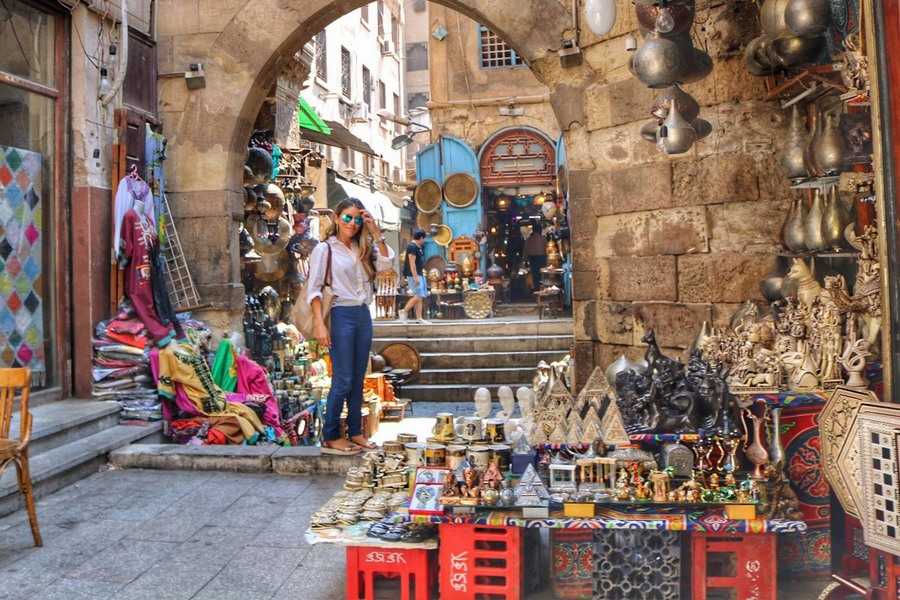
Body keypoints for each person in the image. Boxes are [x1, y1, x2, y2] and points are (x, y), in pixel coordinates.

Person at [307, 198, 395, 454]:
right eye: (347, 217)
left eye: (357, 219)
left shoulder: (363, 248)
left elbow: (387, 265)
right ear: (337, 218)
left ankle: (356, 432)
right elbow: (314, 290)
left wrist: (376, 232)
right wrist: (320, 325)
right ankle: (331, 435)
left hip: (362, 314)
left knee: (358, 378)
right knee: (343, 378)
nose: (352, 223)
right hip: (340, 314)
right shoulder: (325, 249)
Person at [400, 229, 429, 322]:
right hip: (413, 275)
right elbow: (412, 263)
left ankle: (419, 318)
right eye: (424, 238)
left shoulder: (419, 247)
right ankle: (404, 311)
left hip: (420, 273)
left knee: (420, 297)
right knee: (418, 295)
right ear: (421, 238)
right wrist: (416, 277)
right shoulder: (412, 247)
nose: (424, 240)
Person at [524, 224, 547, 291]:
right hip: (541, 258)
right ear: (540, 230)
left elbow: (525, 250)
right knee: (542, 274)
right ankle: (542, 288)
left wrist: (525, 260)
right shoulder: (543, 239)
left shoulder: (528, 239)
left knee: (535, 274)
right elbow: (546, 249)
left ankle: (536, 288)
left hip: (532, 258)